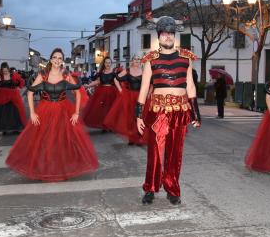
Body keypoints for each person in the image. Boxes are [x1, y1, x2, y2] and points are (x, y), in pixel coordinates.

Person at [5, 48, 99, 181]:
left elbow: (77, 92)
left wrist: (76, 113)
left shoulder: (66, 74)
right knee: (45, 141)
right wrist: (32, 113)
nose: (57, 60)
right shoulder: (43, 74)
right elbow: (30, 92)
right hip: (45, 110)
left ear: (62, 61)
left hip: (63, 110)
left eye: (60, 58)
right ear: (50, 59)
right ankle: (46, 169)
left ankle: (61, 169)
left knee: (62, 141)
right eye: (55, 57)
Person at [136, 16, 201, 205]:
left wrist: (196, 113)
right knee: (155, 152)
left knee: (175, 153)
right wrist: (138, 115)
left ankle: (172, 189)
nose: (167, 37)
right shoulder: (150, 60)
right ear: (159, 36)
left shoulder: (187, 58)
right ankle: (150, 188)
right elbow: (143, 88)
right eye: (164, 34)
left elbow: (190, 86)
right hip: (158, 110)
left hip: (181, 110)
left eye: (170, 34)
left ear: (174, 35)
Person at [103, 55, 147, 145]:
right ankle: (131, 138)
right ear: (132, 60)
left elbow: (150, 83)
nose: (137, 61)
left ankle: (140, 138)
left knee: (140, 117)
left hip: (141, 96)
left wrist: (148, 93)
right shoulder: (127, 70)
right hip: (130, 96)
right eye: (135, 59)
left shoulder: (144, 71)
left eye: (138, 59)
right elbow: (116, 79)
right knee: (131, 117)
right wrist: (120, 90)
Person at [81, 57, 121, 130]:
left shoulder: (114, 74)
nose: (108, 64)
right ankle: (104, 126)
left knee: (111, 109)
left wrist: (121, 92)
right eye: (106, 62)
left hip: (112, 93)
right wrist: (88, 85)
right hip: (102, 93)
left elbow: (117, 82)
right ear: (104, 64)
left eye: (109, 62)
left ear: (111, 63)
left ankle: (111, 125)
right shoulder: (101, 73)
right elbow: (97, 81)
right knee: (103, 110)